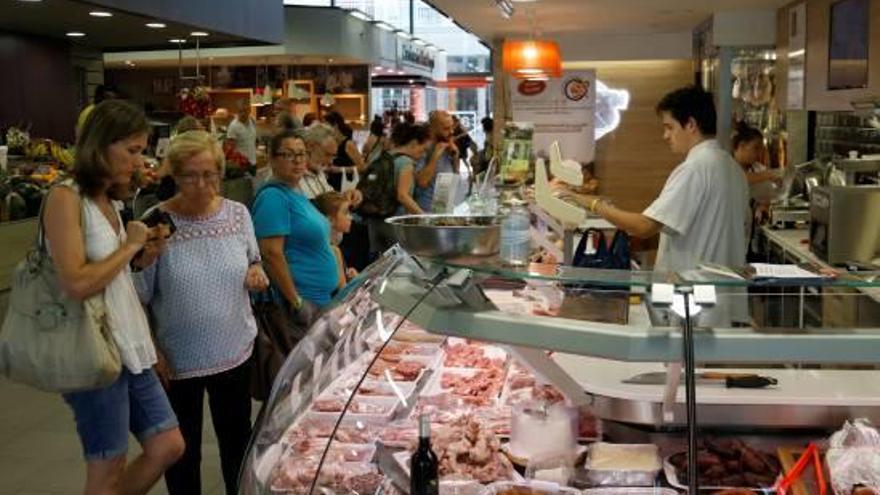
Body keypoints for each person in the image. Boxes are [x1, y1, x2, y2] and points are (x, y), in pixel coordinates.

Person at [42, 99, 184, 495]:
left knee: (167, 445)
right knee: (107, 466)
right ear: (101, 145)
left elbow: (108, 273)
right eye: (132, 150)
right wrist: (130, 246)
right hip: (93, 350)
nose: (139, 162)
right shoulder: (65, 199)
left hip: (128, 345)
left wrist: (140, 257)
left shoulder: (107, 199)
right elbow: (75, 282)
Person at [132, 131, 269, 495]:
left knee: (237, 444)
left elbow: (253, 258)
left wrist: (256, 271)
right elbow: (138, 295)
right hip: (177, 360)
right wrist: (153, 350)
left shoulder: (238, 215)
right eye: (191, 175)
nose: (203, 184)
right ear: (174, 176)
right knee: (183, 453)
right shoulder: (156, 222)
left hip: (234, 349)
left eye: (210, 174)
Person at [560, 85, 750, 324]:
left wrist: (591, 203)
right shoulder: (731, 167)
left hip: (694, 298)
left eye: (669, 127)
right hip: (721, 296)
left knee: (690, 360)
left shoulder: (695, 168)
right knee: (707, 360)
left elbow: (644, 226)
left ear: (690, 124)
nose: (665, 136)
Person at [252, 130, 338, 309]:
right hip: (301, 302)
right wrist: (296, 301)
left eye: (301, 154)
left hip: (318, 299)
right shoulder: (272, 197)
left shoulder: (295, 193)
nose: (298, 160)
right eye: (288, 154)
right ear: (272, 159)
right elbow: (270, 254)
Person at [366, 122, 430, 256]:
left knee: (379, 262)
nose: (423, 154)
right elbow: (402, 195)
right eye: (423, 149)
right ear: (413, 143)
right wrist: (424, 217)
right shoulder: (406, 162)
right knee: (396, 262)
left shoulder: (384, 156)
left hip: (375, 220)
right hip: (394, 223)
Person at [299, 123, 363, 208]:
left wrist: (347, 195)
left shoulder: (319, 172)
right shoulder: (294, 177)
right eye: (327, 154)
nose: (330, 162)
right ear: (310, 146)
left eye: (333, 156)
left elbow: (329, 199)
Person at [414, 110, 459, 212]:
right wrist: (435, 156)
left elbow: (455, 176)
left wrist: (455, 157)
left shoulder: (447, 145)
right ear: (433, 129)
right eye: (446, 129)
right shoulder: (423, 148)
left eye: (452, 127)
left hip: (444, 209)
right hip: (427, 212)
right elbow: (422, 182)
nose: (451, 132)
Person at [314, 191, 358, 290]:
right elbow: (343, 293)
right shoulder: (333, 251)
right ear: (330, 220)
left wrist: (347, 273)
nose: (350, 217)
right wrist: (357, 281)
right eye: (346, 213)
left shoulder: (327, 244)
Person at [323, 110, 366, 191]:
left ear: (335, 126)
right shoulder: (332, 144)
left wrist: (340, 169)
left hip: (346, 186)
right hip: (333, 185)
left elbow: (362, 167)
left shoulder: (348, 144)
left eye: (326, 125)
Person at [226, 99, 257, 166]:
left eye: (245, 111)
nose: (242, 114)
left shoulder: (252, 121)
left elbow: (253, 141)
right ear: (237, 111)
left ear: (249, 111)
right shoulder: (233, 126)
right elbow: (230, 149)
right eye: (240, 111)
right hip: (241, 164)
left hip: (253, 162)